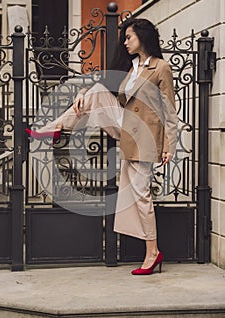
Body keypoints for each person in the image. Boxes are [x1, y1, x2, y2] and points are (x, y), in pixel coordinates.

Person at [25, 18, 178, 275]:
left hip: (145, 137)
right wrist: (82, 95)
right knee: (94, 90)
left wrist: (168, 147)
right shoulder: (132, 68)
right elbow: (116, 96)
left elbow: (170, 112)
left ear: (143, 36)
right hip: (127, 129)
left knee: (140, 194)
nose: (125, 42)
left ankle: (153, 252)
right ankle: (56, 127)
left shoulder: (161, 68)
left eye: (129, 37)